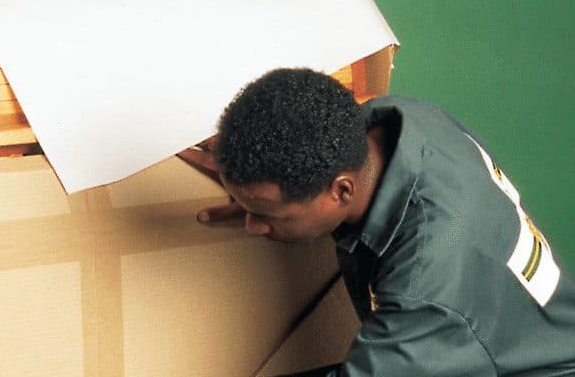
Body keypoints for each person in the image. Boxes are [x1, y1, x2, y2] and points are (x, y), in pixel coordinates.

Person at [181, 68, 575, 377]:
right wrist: (260, 190)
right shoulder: (399, 119)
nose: (251, 226)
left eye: (265, 215)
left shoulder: (423, 288)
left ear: (340, 191)